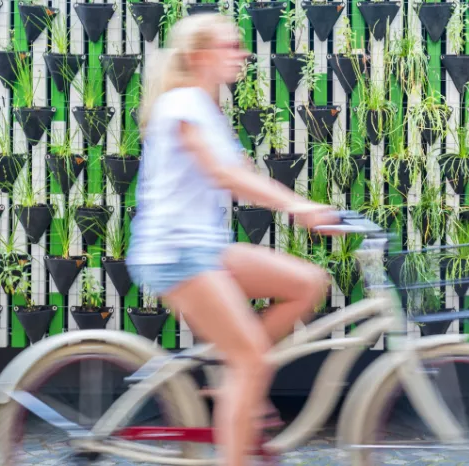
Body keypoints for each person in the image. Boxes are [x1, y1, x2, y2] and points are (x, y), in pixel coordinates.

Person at [128, 13, 338, 466]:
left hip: (205, 247)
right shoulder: (183, 103)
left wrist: (323, 209)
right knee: (252, 362)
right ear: (200, 55)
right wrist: (298, 207)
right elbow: (222, 173)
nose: (242, 54)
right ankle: (240, 382)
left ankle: (235, 375)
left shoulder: (207, 105)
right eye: (230, 46)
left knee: (308, 282)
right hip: (176, 252)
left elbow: (238, 172)